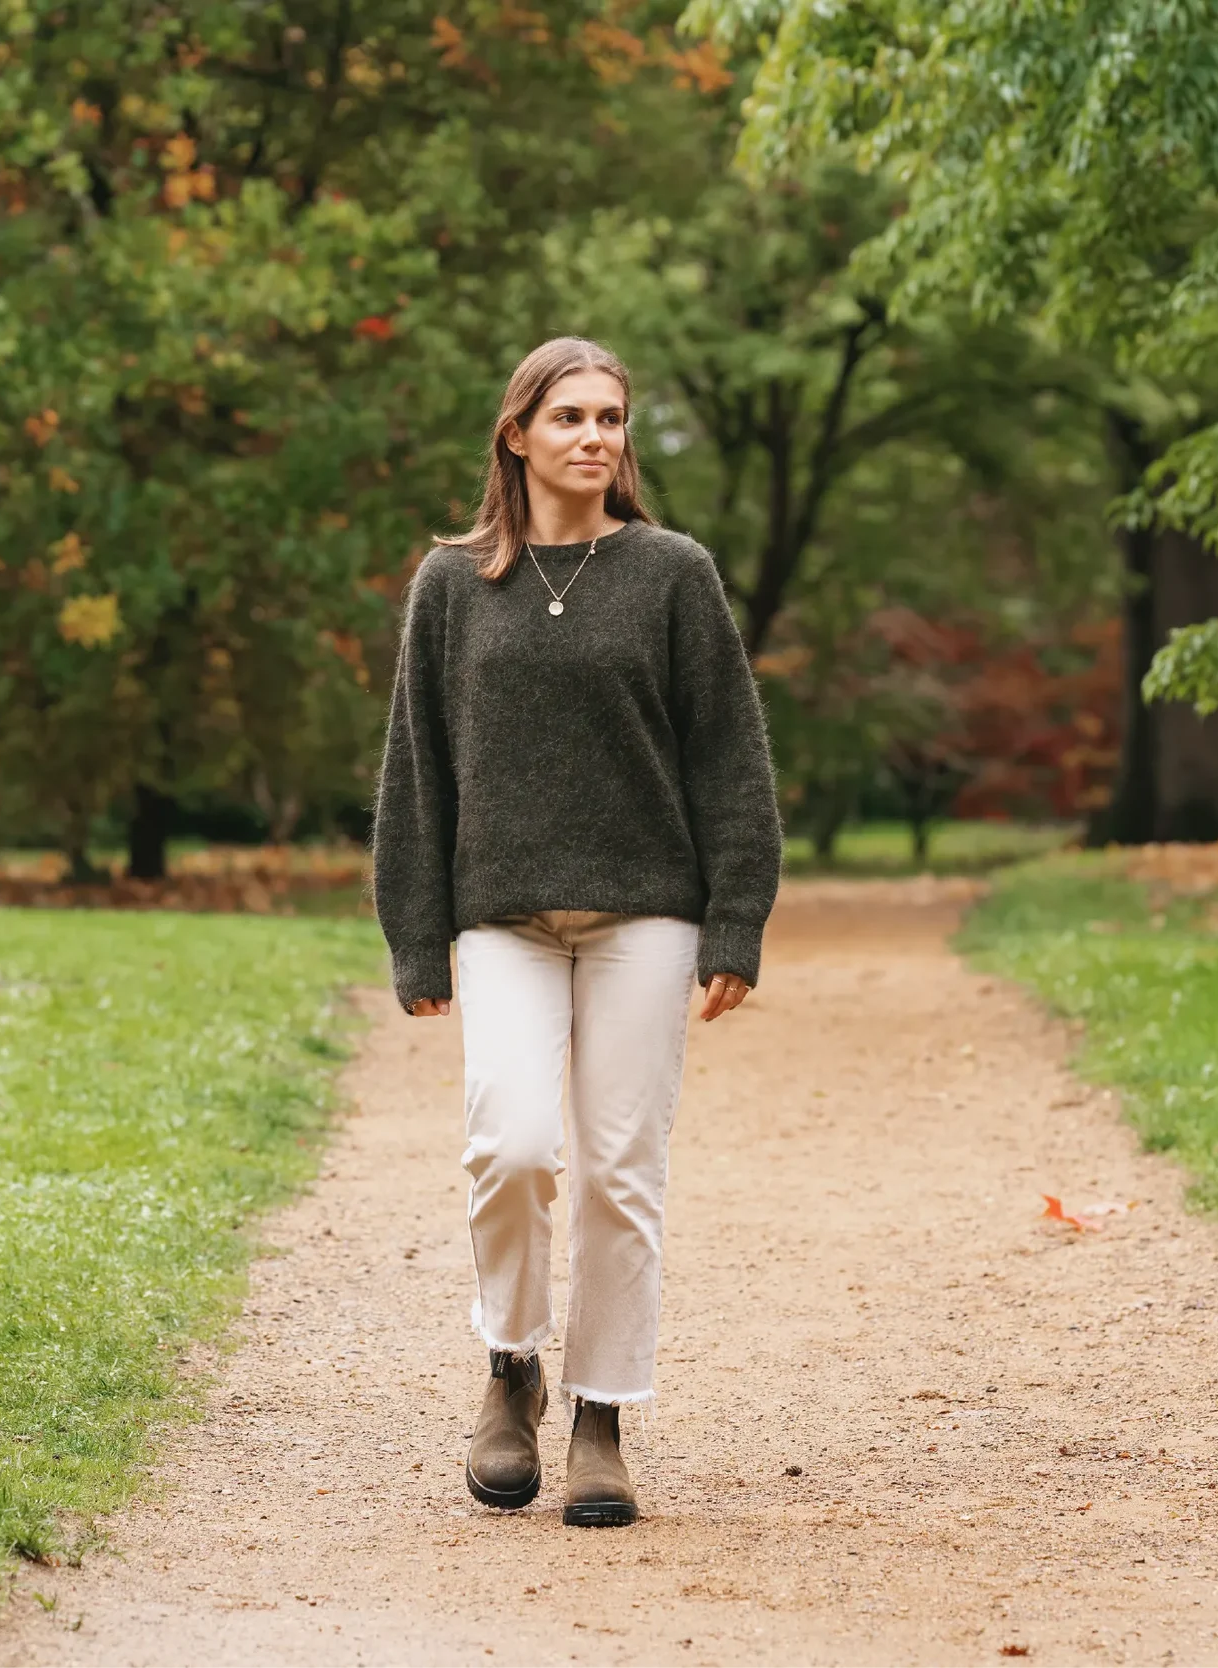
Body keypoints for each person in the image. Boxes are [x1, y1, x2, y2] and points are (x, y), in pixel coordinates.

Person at [371, 336, 782, 1527]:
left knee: (618, 1169)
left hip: (643, 913)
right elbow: (417, 770)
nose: (594, 437)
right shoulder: (453, 584)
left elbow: (729, 759)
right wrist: (414, 933)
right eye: (569, 418)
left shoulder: (672, 574)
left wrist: (734, 922)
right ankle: (511, 1366)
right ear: (518, 435)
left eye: (610, 418)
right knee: (510, 1145)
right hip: (503, 913)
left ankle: (601, 1414)